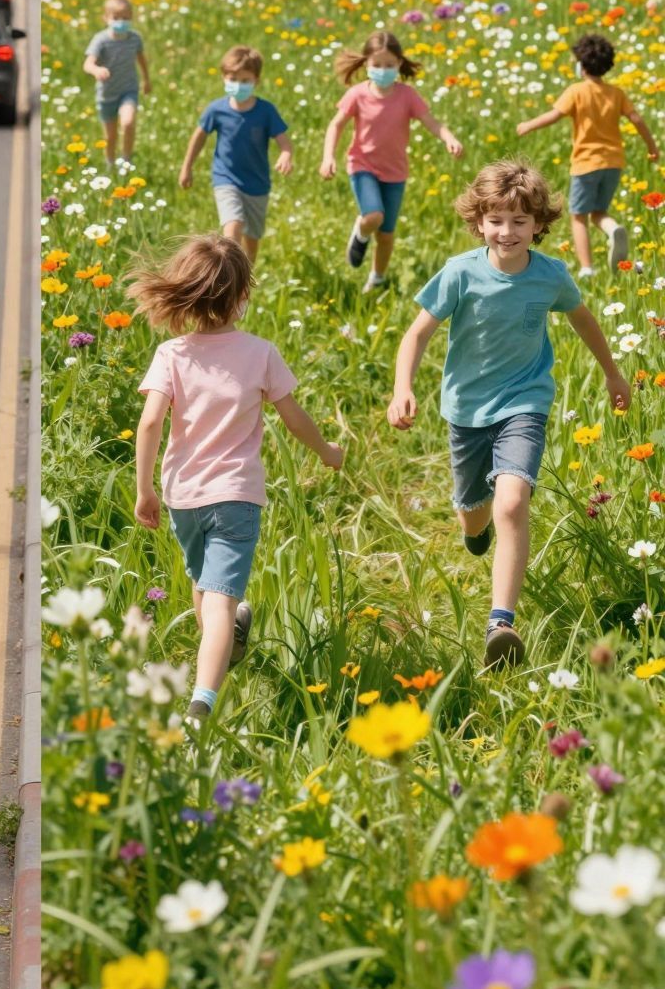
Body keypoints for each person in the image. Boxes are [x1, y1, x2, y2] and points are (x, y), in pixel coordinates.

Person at [387, 159, 632, 668]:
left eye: (520, 221)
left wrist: (611, 373)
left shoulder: (551, 276)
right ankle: (474, 533)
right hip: (466, 409)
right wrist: (402, 386)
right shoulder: (461, 273)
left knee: (513, 502)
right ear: (479, 222)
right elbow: (417, 334)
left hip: (525, 400)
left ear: (539, 225)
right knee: (474, 513)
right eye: (496, 220)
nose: (507, 231)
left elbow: (583, 320)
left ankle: (501, 623)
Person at [131, 235, 343, 724]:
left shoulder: (172, 354)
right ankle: (203, 701)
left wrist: (145, 489)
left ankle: (216, 660)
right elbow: (294, 418)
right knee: (222, 601)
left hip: (183, 495)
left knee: (205, 590)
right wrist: (328, 452)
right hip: (237, 497)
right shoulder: (260, 353)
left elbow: (148, 424)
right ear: (242, 296)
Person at [321, 27, 464, 294]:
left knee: (386, 235)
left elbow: (431, 122)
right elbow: (336, 125)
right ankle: (361, 232)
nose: (383, 70)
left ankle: (377, 278)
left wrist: (449, 138)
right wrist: (328, 156)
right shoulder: (357, 94)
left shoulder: (407, 95)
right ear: (366, 64)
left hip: (395, 172)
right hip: (362, 165)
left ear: (399, 63)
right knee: (374, 215)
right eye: (377, 64)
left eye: (389, 65)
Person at [516, 30, 659, 276]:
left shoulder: (576, 91)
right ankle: (613, 228)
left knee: (579, 216)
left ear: (581, 65)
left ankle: (587, 268)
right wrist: (652, 148)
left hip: (586, 164)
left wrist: (528, 125)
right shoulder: (616, 93)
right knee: (599, 212)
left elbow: (554, 115)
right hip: (613, 162)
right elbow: (636, 119)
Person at [178, 45, 292, 263]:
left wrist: (286, 155)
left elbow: (284, 142)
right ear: (223, 77)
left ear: (256, 81)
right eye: (233, 78)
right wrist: (186, 167)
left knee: (252, 239)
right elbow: (199, 137)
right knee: (233, 226)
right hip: (226, 179)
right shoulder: (216, 110)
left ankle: (244, 281)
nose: (238, 85)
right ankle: (227, 277)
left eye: (245, 80)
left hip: (257, 184)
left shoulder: (266, 111)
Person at [83, 0, 152, 168]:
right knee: (110, 136)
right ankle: (110, 164)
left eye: (126, 18)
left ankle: (126, 160)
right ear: (106, 18)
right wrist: (96, 70)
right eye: (116, 18)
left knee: (128, 122)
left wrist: (146, 79)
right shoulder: (101, 40)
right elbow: (88, 64)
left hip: (128, 89)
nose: (121, 22)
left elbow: (141, 59)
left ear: (132, 18)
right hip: (107, 94)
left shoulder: (135, 38)